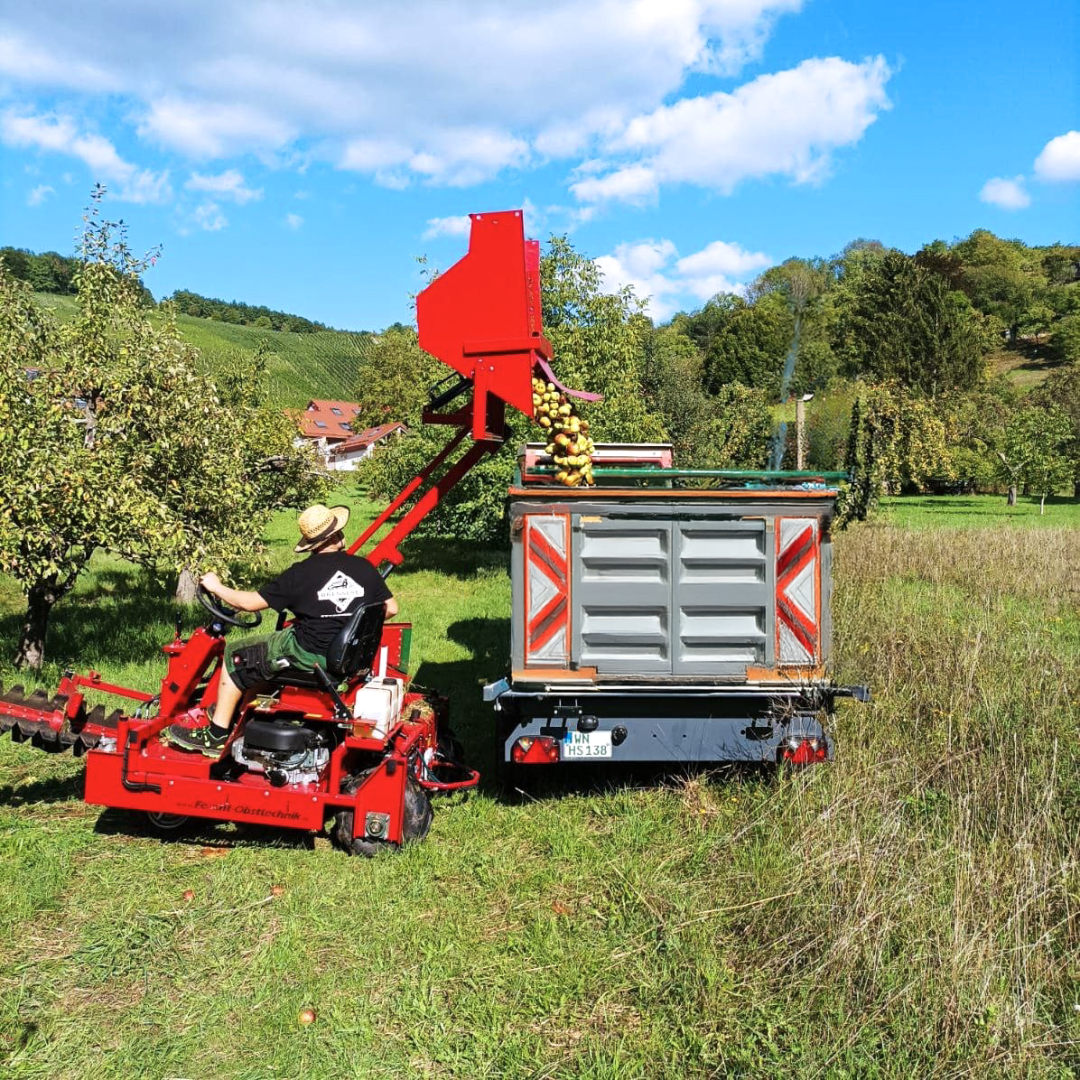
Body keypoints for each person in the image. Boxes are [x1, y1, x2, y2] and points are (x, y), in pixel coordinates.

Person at [167, 503, 397, 756]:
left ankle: (217, 735)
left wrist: (217, 586)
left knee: (236, 654)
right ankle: (241, 712)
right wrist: (351, 623)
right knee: (264, 655)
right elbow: (391, 608)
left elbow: (249, 603)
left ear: (313, 543)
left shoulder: (301, 574)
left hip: (310, 653)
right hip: (348, 656)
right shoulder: (363, 568)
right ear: (336, 536)